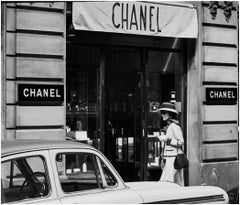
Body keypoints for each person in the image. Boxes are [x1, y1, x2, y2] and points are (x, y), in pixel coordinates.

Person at [157, 102, 184, 186]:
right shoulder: (169, 126)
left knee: (169, 182)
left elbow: (181, 142)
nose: (162, 115)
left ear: (169, 114)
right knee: (169, 181)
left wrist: (166, 139)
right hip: (169, 157)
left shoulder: (174, 126)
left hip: (173, 158)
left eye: (164, 113)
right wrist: (163, 158)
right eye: (162, 113)